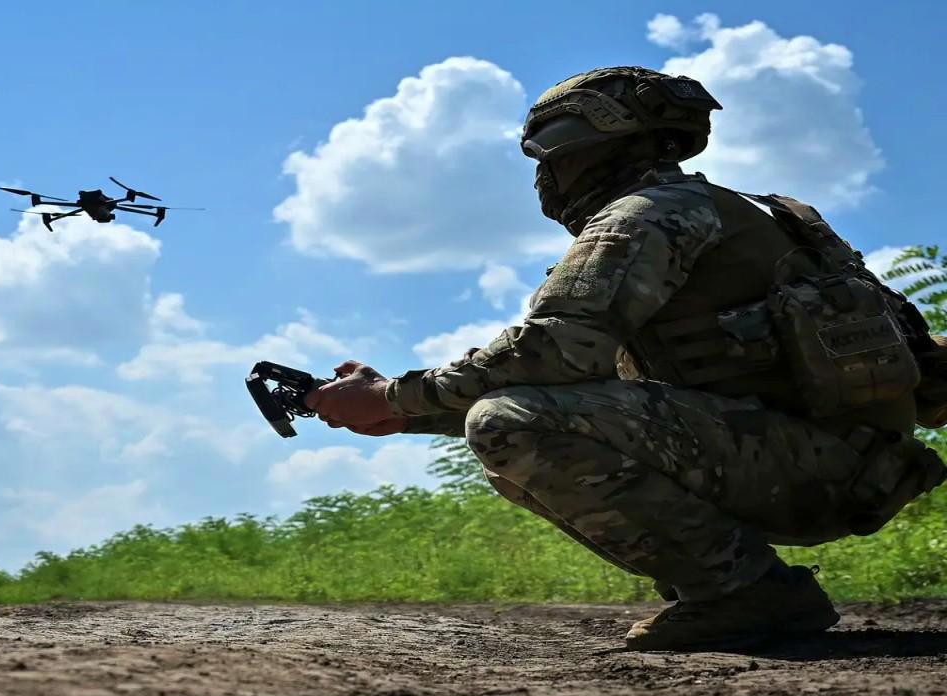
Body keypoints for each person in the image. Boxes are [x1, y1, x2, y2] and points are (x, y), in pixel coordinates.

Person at [304, 66, 946, 651]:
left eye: (546, 153)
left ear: (587, 141)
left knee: (508, 425)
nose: (542, 176)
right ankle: (726, 581)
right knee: (509, 443)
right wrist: (404, 415)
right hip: (850, 470)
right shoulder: (754, 216)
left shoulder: (646, 216)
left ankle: (743, 591)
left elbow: (551, 352)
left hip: (803, 468)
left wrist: (392, 395)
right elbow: (600, 382)